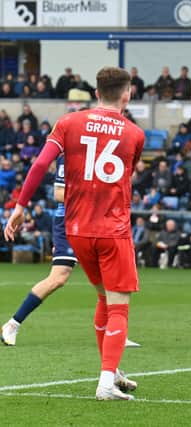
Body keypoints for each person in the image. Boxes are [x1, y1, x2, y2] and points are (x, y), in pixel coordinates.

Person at [4, 66, 145, 401]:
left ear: (96, 93)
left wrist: (20, 206)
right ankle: (106, 382)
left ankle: (110, 371)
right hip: (113, 228)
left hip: (77, 228)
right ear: (126, 94)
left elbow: (39, 165)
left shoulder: (69, 123)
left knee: (101, 297)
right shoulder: (135, 134)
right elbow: (127, 174)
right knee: (119, 305)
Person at [1, 157, 141, 349]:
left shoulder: (99, 153)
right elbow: (59, 193)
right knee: (58, 278)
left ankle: (116, 332)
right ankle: (12, 324)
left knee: (110, 278)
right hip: (69, 222)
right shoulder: (69, 155)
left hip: (95, 223)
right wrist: (94, 194)